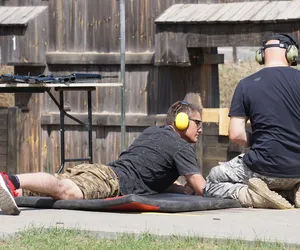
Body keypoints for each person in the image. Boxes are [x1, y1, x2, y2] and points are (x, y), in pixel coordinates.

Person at [0, 100, 206, 215]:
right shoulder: (180, 146)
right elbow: (202, 189)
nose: (201, 129)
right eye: (198, 123)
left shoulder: (152, 133)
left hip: (102, 172)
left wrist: (181, 188)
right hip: (110, 181)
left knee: (52, 186)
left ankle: (13, 186)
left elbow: (151, 177)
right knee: (66, 191)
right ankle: (11, 180)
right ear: (182, 121)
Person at [203, 33, 300, 209]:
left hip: (263, 168)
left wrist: (263, 139)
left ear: (261, 55)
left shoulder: (246, 85)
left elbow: (236, 134)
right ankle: (292, 191)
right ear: (291, 54)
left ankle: (254, 196)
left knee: (212, 181)